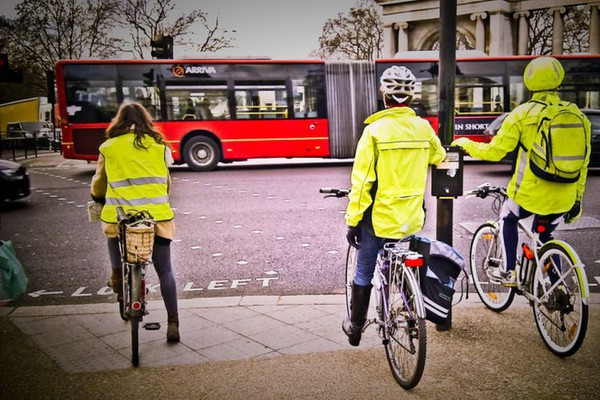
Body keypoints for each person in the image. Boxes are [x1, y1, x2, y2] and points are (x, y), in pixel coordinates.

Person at [452, 56, 591, 286]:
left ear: (529, 80)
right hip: (565, 197)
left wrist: (466, 143)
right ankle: (557, 287)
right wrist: (576, 200)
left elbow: (495, 152)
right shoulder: (578, 116)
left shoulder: (522, 114)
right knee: (544, 237)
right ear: (558, 79)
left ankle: (510, 273)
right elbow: (582, 164)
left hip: (529, 196)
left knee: (508, 217)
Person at [343, 65, 447, 346]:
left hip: (379, 219)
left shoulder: (375, 131)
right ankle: (410, 307)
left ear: (383, 94)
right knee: (398, 262)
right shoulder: (423, 128)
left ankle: (355, 326)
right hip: (411, 217)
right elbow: (440, 157)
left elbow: (362, 183)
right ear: (411, 97)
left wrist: (353, 220)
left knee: (364, 271)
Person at [90, 102, 180, 343]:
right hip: (156, 218)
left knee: (110, 231)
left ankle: (118, 276)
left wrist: (98, 198)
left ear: (119, 121)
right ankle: (173, 323)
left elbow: (99, 184)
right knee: (165, 270)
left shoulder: (108, 147)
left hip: (120, 217)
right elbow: (166, 184)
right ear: (146, 120)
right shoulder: (159, 147)